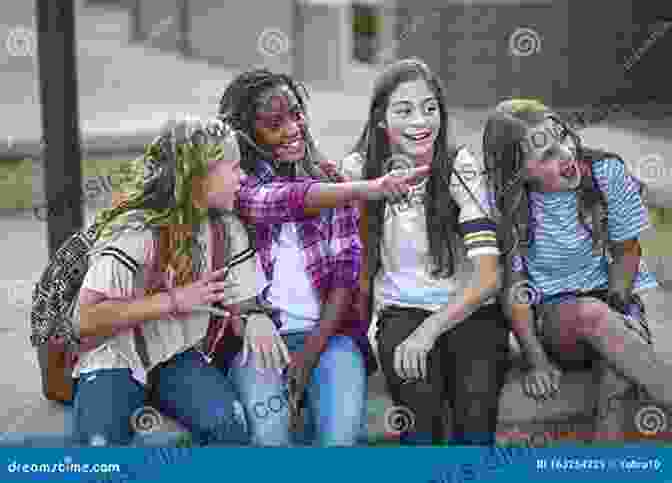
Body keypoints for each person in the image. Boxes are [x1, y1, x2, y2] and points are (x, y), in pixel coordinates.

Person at [215, 68, 429, 446]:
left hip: (330, 337)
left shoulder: (330, 179)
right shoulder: (238, 186)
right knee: (269, 434)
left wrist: (311, 354)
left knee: (341, 438)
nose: (293, 128)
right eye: (274, 123)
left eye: (296, 114)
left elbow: (345, 278)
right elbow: (281, 200)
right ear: (245, 134)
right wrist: (366, 188)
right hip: (260, 338)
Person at [483, 99, 672, 437]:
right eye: (547, 156)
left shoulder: (606, 171)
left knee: (617, 379)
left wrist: (621, 309)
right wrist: (536, 360)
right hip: (557, 319)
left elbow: (626, 251)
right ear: (519, 172)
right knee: (590, 313)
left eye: (564, 138)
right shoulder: (510, 206)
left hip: (616, 302)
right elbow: (515, 291)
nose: (566, 155)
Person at [351, 58, 509, 445]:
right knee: (422, 427)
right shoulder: (359, 171)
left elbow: (489, 277)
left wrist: (431, 329)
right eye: (404, 110)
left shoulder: (459, 166)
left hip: (470, 310)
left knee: (475, 426)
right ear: (382, 120)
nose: (421, 122)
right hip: (401, 311)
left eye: (430, 108)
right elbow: (355, 266)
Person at [72, 119, 253, 446]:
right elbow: (83, 321)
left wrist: (257, 319)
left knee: (230, 424)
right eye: (235, 167)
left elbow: (244, 308)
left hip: (176, 356)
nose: (244, 177)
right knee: (100, 446)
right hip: (115, 355)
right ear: (199, 176)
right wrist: (171, 302)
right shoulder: (136, 231)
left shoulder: (227, 230)